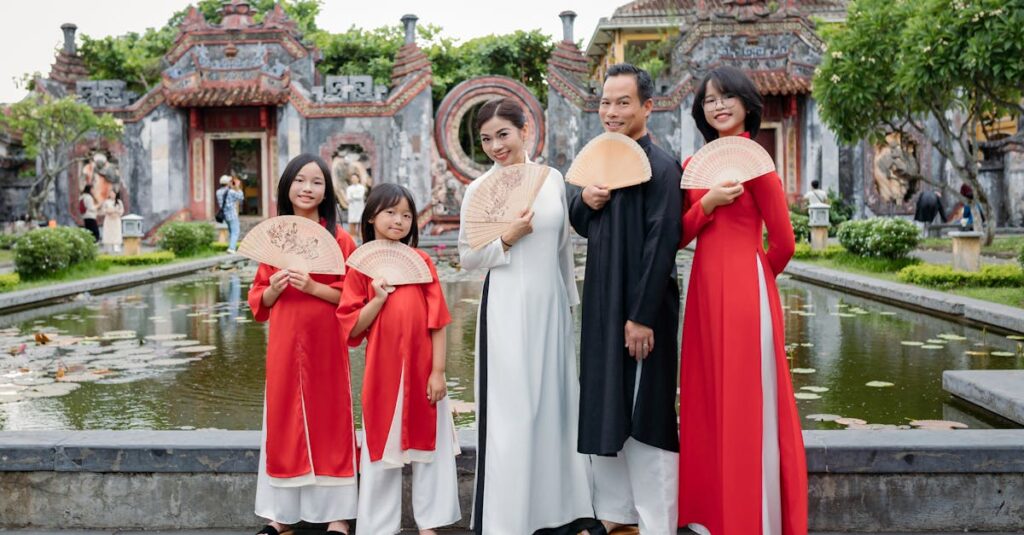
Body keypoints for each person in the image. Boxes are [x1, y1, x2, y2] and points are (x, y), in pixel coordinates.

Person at [677, 65, 807, 535]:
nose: (718, 106)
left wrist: (758, 283)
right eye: (709, 99)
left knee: (746, 398)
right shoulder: (694, 166)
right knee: (706, 394)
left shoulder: (758, 163)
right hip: (703, 288)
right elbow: (678, 235)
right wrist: (707, 204)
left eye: (727, 96)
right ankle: (713, 515)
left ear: (746, 104)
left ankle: (756, 517)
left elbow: (785, 243)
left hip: (746, 291)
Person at [458, 98, 595, 535]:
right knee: (512, 412)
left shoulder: (552, 180)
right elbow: (467, 257)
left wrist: (568, 307)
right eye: (486, 139)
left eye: (503, 134)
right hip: (505, 305)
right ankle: (509, 519)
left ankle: (560, 514)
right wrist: (506, 239)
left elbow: (563, 251)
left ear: (524, 131)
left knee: (555, 405)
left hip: (550, 305)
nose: (496, 146)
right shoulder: (479, 190)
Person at [567, 63, 682, 534]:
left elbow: (662, 244)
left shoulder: (662, 167)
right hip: (601, 304)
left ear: (647, 106)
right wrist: (585, 201)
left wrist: (641, 316)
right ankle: (615, 518)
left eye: (623, 102)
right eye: (605, 102)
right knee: (605, 407)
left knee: (644, 412)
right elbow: (581, 224)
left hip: (641, 311)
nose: (611, 112)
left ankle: (656, 523)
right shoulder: (601, 164)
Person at [337, 184, 461, 535]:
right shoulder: (360, 267)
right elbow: (352, 328)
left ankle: (430, 524)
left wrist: (438, 372)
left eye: (407, 215)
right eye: (390, 212)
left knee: (431, 447)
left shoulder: (421, 262)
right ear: (371, 217)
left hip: (424, 370)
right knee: (380, 447)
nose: (399, 220)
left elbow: (438, 322)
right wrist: (376, 299)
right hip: (383, 372)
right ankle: (378, 526)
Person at [247, 154, 358, 535]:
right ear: (287, 187)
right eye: (299, 180)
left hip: (326, 344)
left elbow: (353, 297)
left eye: (316, 182)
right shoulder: (276, 237)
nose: (307, 188)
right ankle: (281, 517)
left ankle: (338, 517)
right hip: (284, 342)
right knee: (283, 422)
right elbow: (258, 299)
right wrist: (274, 290)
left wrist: (313, 287)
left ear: (327, 191)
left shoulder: (340, 240)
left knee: (331, 422)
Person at [216, 174, 245, 253]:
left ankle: (231, 247)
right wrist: (237, 187)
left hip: (225, 215)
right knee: (235, 231)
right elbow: (241, 197)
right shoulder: (230, 192)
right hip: (232, 214)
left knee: (231, 232)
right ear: (228, 183)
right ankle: (231, 248)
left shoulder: (218, 192)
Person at [344, 173, 367, 240]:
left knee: (360, 222)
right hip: (352, 208)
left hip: (359, 208)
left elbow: (360, 196)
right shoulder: (349, 188)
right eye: (352, 178)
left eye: (355, 178)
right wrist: (354, 196)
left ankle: (361, 237)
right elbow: (348, 198)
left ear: (358, 179)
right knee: (352, 222)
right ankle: (353, 238)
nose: (353, 179)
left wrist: (353, 196)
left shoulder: (361, 187)